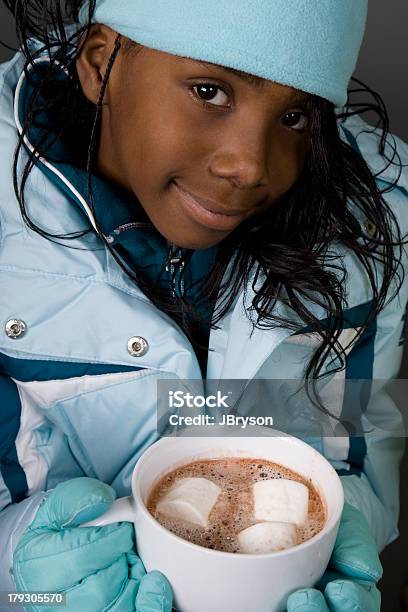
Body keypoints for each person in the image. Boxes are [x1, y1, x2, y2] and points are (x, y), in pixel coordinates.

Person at [0, 0, 407, 610]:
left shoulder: (379, 222)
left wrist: (347, 527)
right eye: (210, 91)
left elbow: (355, 443)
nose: (250, 167)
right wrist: (20, 576)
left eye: (295, 115)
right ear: (99, 62)